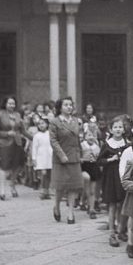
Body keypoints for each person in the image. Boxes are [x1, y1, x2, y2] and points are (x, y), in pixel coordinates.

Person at [49, 96, 83, 224]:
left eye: (71, 105)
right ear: (60, 107)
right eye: (66, 105)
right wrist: (61, 154)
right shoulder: (55, 122)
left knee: (73, 187)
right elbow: (53, 140)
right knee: (60, 186)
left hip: (74, 157)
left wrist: (81, 154)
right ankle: (56, 206)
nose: (69, 107)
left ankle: (70, 212)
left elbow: (77, 140)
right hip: (61, 159)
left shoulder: (75, 121)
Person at [97, 115, 128, 246]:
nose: (118, 129)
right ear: (111, 129)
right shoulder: (107, 144)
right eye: (115, 127)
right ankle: (111, 232)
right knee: (112, 205)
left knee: (122, 204)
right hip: (110, 177)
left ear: (124, 129)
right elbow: (99, 161)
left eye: (120, 127)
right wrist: (110, 159)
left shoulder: (127, 144)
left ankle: (121, 229)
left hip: (122, 177)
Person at [0, 96, 32, 200]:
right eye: (10, 103)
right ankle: (2, 189)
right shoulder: (0, 115)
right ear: (5, 104)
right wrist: (7, 133)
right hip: (4, 144)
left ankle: (12, 184)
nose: (12, 105)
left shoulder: (18, 115)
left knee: (18, 165)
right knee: (4, 167)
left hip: (17, 143)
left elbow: (23, 130)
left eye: (13, 103)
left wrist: (34, 137)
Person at [80, 130, 101, 218]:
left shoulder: (97, 147)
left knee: (92, 190)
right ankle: (83, 201)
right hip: (84, 167)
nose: (91, 137)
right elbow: (79, 156)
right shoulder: (82, 145)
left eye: (93, 135)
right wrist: (81, 158)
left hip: (93, 167)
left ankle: (91, 208)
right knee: (86, 182)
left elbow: (98, 158)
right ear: (85, 137)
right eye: (89, 135)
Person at [32, 118, 53, 199]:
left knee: (49, 175)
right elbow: (34, 148)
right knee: (43, 174)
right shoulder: (37, 136)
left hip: (49, 156)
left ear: (47, 124)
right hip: (41, 157)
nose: (41, 125)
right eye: (39, 124)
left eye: (43, 123)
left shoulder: (50, 134)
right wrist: (34, 158)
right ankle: (42, 191)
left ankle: (47, 191)